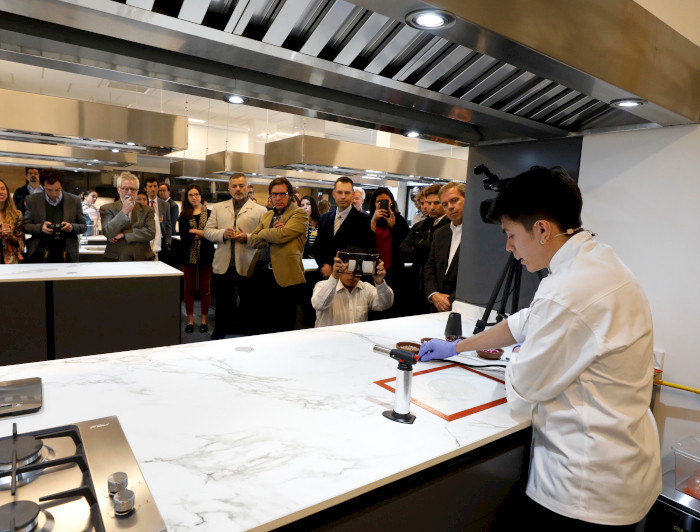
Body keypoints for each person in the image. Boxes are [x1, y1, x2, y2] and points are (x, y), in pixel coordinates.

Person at [418, 167, 661, 530]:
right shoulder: (597, 261)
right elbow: (526, 322)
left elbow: (526, 386)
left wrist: (520, 356)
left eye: (512, 235)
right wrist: (459, 347)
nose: (509, 248)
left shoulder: (568, 292)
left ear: (542, 229)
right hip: (626, 468)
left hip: (583, 487)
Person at [204, 173, 266, 339]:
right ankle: (218, 339)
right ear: (229, 188)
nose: (238, 189)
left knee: (249, 306)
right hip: (223, 266)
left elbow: (264, 238)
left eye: (241, 186)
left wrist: (247, 237)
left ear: (247, 187)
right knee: (223, 307)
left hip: (248, 266)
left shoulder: (261, 211)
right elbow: (208, 232)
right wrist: (223, 233)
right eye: (234, 186)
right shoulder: (218, 208)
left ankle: (250, 340)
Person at [249, 177, 308, 333]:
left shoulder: (299, 214)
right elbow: (253, 241)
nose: (278, 198)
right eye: (274, 195)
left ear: (289, 195)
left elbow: (283, 236)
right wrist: (272, 233)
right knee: (262, 323)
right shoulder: (267, 216)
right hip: (262, 273)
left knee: (283, 325)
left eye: (282, 194)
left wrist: (265, 233)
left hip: (286, 276)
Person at [311, 247, 393, 327]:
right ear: (340, 265)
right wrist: (334, 276)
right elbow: (319, 305)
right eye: (349, 267)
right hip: (329, 339)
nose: (352, 273)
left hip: (357, 339)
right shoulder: (322, 285)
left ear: (362, 270)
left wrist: (380, 282)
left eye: (357, 268)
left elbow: (385, 304)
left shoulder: (366, 288)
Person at [400, 183, 449, 315]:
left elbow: (439, 258)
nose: (431, 207)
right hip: (417, 285)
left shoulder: (450, 227)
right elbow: (403, 250)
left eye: (436, 203)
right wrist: (420, 248)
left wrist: (421, 248)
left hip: (439, 288)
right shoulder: (420, 226)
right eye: (428, 203)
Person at [313, 176, 373, 279]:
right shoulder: (324, 218)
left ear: (353, 194)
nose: (343, 196)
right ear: (334, 194)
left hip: (349, 277)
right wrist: (324, 265)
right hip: (325, 276)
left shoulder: (364, 220)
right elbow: (318, 247)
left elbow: (365, 252)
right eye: (340, 192)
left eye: (347, 192)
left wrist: (337, 269)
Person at [23, 169, 86, 263]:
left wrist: (71, 227)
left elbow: (83, 226)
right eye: (49, 190)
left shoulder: (74, 200)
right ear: (43, 186)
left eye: (57, 189)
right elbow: (25, 226)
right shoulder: (32, 200)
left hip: (67, 252)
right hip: (39, 252)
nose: (54, 194)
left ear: (61, 185)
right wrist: (41, 228)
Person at [423, 181, 465, 312]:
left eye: (454, 200)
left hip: (464, 306)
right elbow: (430, 267)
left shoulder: (479, 234)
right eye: (445, 204)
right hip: (436, 306)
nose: (450, 207)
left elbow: (480, 274)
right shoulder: (440, 233)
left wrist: (450, 300)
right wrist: (433, 294)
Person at [179, 184, 214, 334]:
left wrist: (194, 231)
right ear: (187, 198)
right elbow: (184, 237)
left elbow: (212, 235)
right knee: (189, 289)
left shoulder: (211, 214)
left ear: (201, 196)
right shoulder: (184, 215)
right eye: (191, 195)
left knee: (205, 289)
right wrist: (203, 233)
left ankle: (204, 320)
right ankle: (191, 320)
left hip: (207, 255)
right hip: (188, 257)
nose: (194, 197)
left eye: (196, 194)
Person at [368, 187, 408, 316]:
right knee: (373, 306)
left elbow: (404, 246)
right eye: (379, 201)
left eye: (386, 201)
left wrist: (393, 226)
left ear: (392, 202)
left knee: (393, 307)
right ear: (374, 203)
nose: (382, 204)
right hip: (371, 271)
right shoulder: (367, 220)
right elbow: (364, 245)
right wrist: (373, 222)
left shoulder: (400, 221)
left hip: (394, 270)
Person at [100, 172, 156, 261]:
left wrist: (124, 234)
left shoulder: (147, 210)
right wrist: (124, 212)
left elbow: (150, 233)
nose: (129, 193)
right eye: (125, 189)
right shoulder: (106, 209)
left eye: (133, 189)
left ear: (137, 191)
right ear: (118, 189)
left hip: (142, 260)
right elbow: (108, 232)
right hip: (117, 259)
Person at [144, 176, 172, 260]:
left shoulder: (165, 204)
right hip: (146, 239)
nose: (153, 189)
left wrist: (168, 241)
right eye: (150, 186)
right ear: (145, 188)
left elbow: (168, 225)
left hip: (161, 240)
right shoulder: (142, 203)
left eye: (155, 186)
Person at [0, 178, 23, 264]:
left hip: (11, 260)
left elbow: (21, 241)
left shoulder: (17, 215)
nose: (1, 192)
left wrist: (11, 236)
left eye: (3, 189)